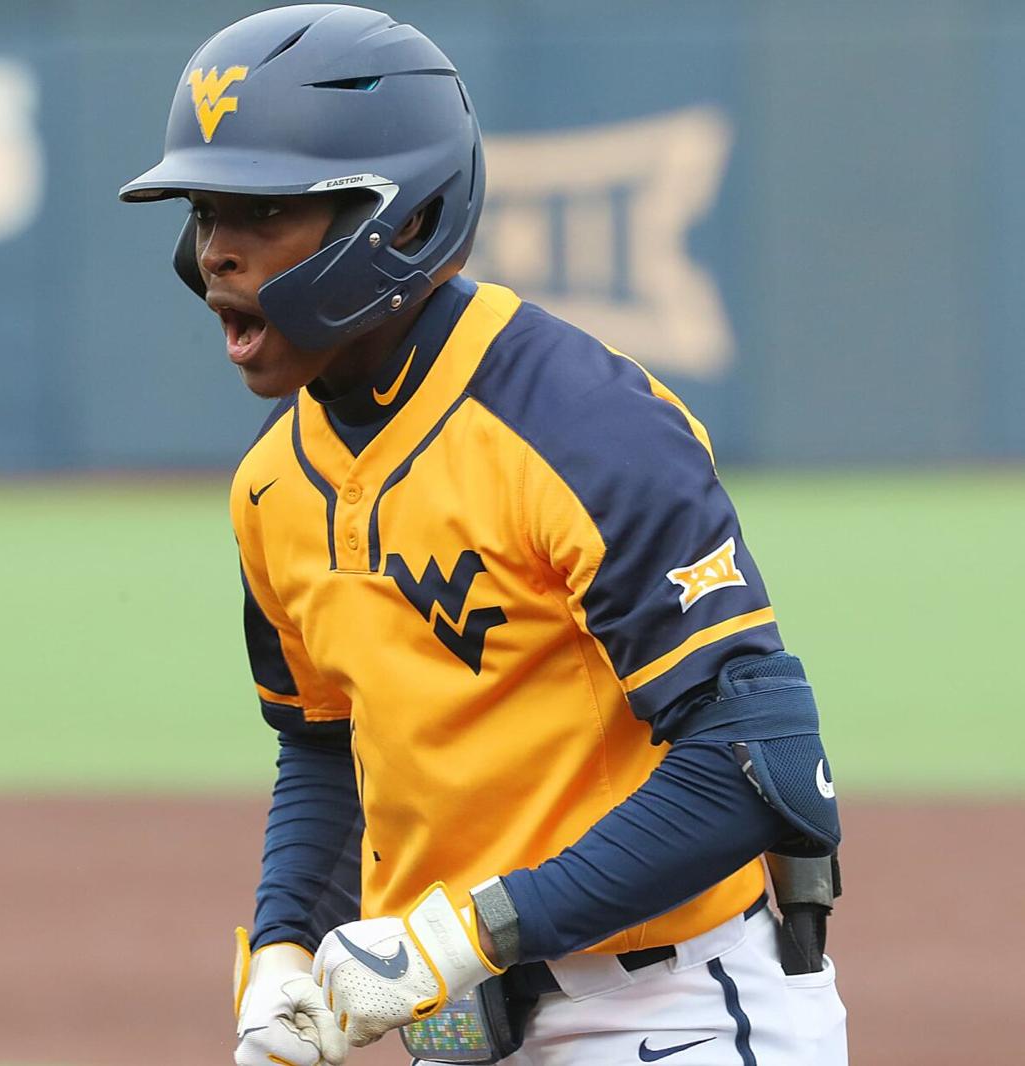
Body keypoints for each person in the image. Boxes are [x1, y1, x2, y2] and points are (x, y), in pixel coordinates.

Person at [120, 6, 848, 1065]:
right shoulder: (272, 485)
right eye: (203, 211)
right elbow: (327, 748)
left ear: (402, 221)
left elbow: (757, 770)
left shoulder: (583, 425)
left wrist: (466, 932)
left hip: (673, 1013)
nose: (218, 251)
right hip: (460, 1031)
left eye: (264, 208)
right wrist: (283, 946)